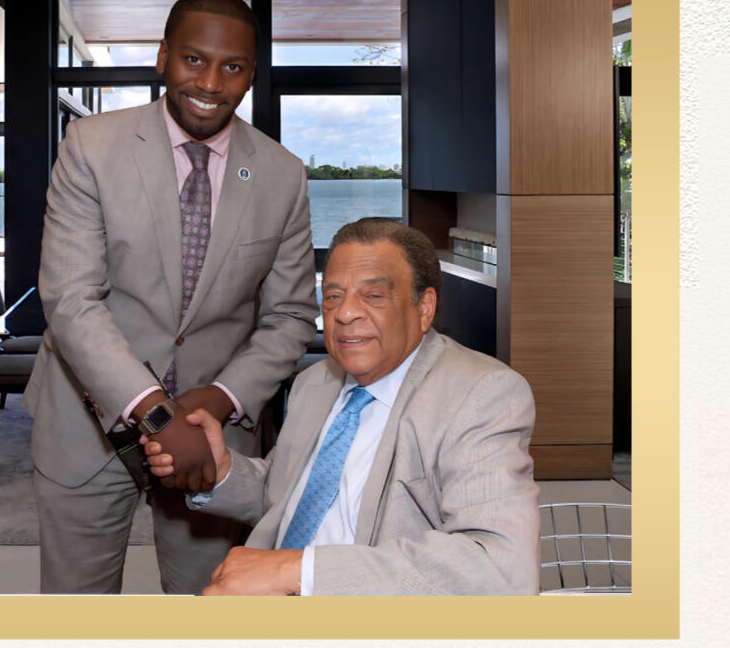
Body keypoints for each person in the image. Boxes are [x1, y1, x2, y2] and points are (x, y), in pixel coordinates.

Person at [25, 0, 318, 594]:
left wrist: (220, 398)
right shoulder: (91, 147)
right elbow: (71, 298)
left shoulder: (283, 175)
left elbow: (290, 314)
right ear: (163, 56)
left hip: (211, 441)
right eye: (193, 60)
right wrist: (157, 412)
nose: (211, 81)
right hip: (86, 428)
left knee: (205, 610)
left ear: (251, 75)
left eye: (232, 66)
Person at [142, 219, 540, 597]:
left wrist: (297, 572)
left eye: (373, 295)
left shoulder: (481, 394)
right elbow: (286, 493)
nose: (345, 313)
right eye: (333, 296)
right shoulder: (316, 383)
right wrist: (224, 471)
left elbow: (499, 569)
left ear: (424, 308)